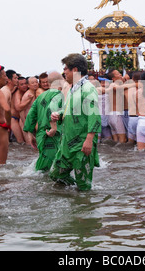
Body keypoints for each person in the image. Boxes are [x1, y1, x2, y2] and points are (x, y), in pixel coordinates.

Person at [49, 53, 101, 191]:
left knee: (83, 185)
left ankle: (83, 208)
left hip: (82, 143)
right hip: (67, 142)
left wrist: (89, 139)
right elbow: (71, 110)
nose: (64, 72)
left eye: (66, 69)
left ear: (75, 70)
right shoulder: (73, 88)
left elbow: (94, 115)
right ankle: (69, 196)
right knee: (55, 174)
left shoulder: (88, 88)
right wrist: (59, 115)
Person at [23, 71, 65, 172]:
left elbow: (31, 115)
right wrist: (54, 127)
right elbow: (52, 109)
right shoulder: (59, 95)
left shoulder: (40, 96)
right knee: (45, 169)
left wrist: (29, 133)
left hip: (41, 135)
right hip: (51, 135)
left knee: (44, 161)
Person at [10, 76, 28, 144]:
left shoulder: (25, 92)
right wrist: (28, 100)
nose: (24, 86)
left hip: (21, 118)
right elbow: (18, 107)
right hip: (14, 119)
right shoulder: (17, 93)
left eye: (25, 83)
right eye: (22, 84)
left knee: (25, 142)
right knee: (21, 142)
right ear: (18, 86)